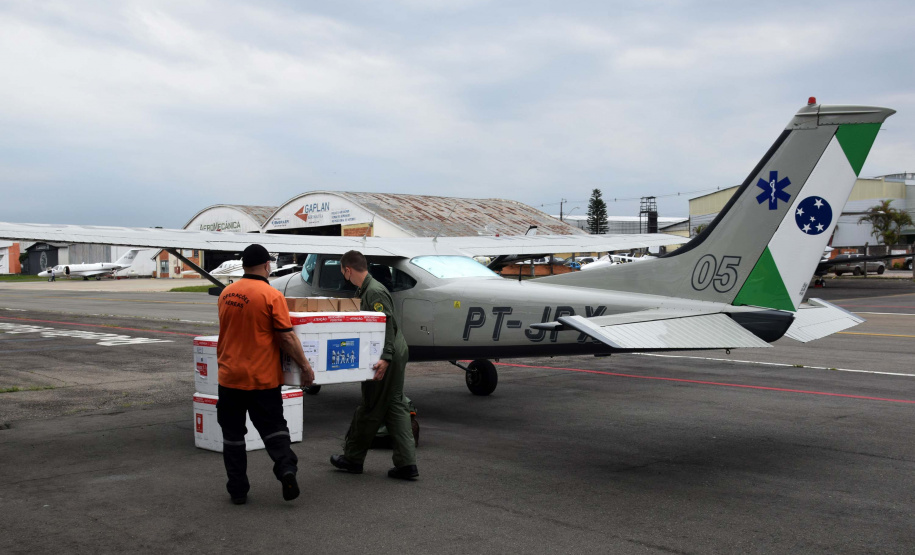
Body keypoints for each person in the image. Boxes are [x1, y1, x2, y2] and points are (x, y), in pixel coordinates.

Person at [216, 244, 315, 504]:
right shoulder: (271, 295)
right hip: (261, 378)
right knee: (273, 429)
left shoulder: (226, 293)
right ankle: (285, 469)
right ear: (266, 265)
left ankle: (237, 490)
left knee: (233, 436)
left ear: (244, 265)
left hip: (229, 378)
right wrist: (304, 366)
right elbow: (286, 338)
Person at [330, 250, 418, 480]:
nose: (343, 275)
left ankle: (353, 458)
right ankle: (407, 464)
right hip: (393, 351)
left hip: (387, 353)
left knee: (371, 405)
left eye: (342, 271)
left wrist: (386, 357)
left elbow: (386, 324)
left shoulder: (375, 291)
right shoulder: (369, 289)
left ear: (348, 269)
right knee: (395, 405)